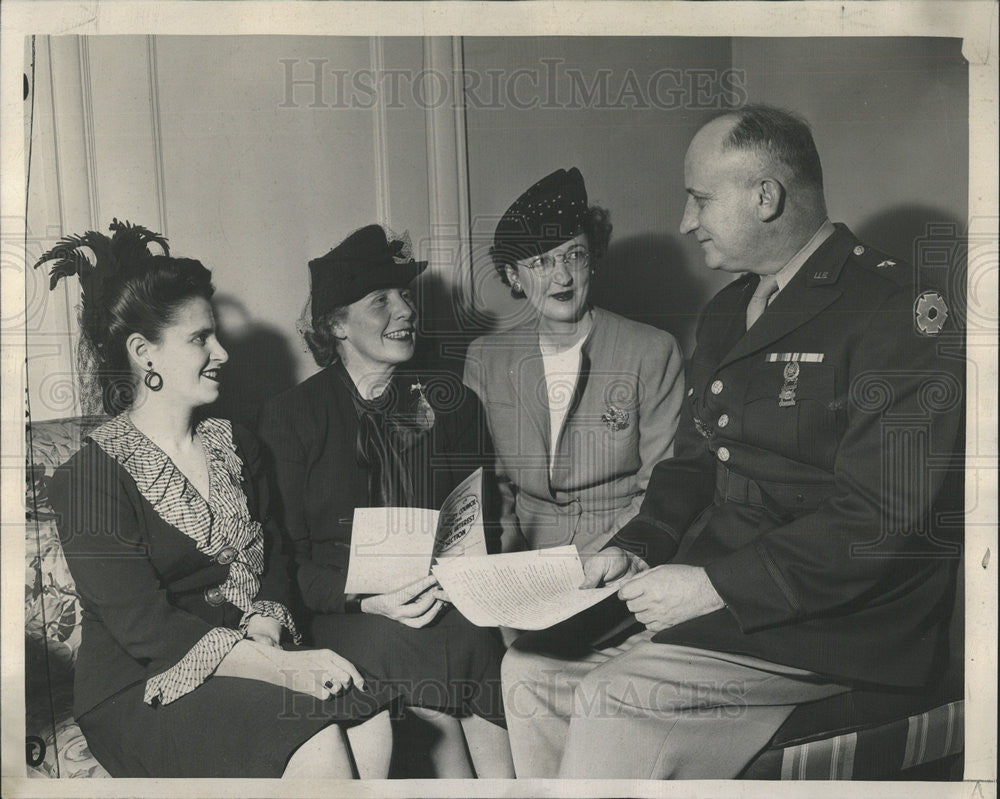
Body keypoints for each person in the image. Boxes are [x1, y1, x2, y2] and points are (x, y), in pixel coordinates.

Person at [501, 105, 964, 778]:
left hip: (842, 623)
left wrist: (715, 583)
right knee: (532, 668)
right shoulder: (729, 310)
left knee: (608, 696)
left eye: (699, 199)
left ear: (766, 196)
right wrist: (635, 550)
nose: (686, 222)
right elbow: (692, 457)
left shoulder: (896, 310)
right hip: (733, 596)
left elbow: (878, 520)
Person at [39, 220, 395, 778]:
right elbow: (143, 626)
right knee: (316, 739)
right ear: (143, 354)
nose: (222, 352)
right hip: (141, 684)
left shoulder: (235, 443)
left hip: (248, 651)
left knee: (373, 720)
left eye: (217, 334)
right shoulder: (88, 478)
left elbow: (274, 553)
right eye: (199, 338)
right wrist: (278, 670)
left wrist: (266, 627)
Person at [256, 224, 514, 778]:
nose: (404, 312)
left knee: (473, 637)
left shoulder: (453, 404)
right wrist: (367, 601)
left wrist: (456, 575)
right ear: (336, 325)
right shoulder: (291, 417)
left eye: (404, 297)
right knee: (401, 641)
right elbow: (283, 559)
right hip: (340, 611)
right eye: (381, 301)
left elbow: (475, 522)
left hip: (436, 595)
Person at [464, 167, 685, 555]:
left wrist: (597, 557)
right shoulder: (486, 359)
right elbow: (488, 484)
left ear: (593, 258)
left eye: (574, 256)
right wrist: (507, 557)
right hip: (523, 554)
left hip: (617, 546)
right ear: (514, 277)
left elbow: (660, 488)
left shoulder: (652, 350)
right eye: (541, 263)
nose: (562, 276)